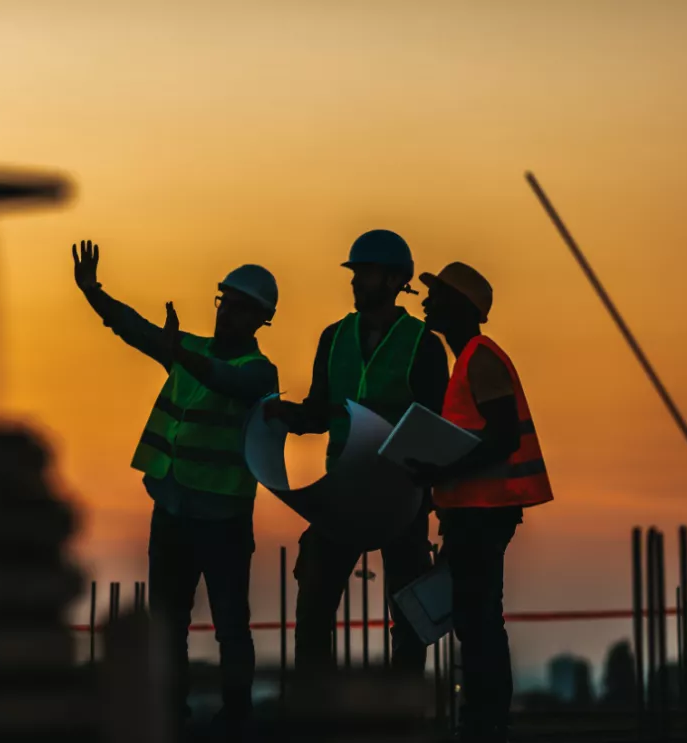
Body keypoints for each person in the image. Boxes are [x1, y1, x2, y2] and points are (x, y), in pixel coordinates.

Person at [72, 239, 279, 735]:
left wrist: (179, 354)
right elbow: (134, 329)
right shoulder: (190, 350)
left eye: (238, 308)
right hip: (173, 510)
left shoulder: (259, 371)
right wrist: (93, 293)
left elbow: (230, 382)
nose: (226, 313)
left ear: (258, 319)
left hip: (223, 521)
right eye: (224, 302)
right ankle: (171, 713)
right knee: (168, 626)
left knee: (231, 626)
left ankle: (236, 718)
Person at [265, 229, 449, 675]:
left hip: (400, 497)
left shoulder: (421, 344)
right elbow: (322, 410)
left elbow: (436, 429)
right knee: (313, 606)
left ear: (392, 281)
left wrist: (430, 498)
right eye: (355, 274)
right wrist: (287, 416)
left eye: (364, 274)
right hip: (343, 493)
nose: (355, 282)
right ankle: (319, 711)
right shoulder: (334, 338)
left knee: (408, 614)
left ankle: (401, 711)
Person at [410, 262, 554, 743]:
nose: (427, 302)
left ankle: (486, 719)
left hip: (486, 512)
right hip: (472, 511)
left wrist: (440, 470)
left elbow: (501, 438)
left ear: (460, 307)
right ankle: (485, 716)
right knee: (474, 618)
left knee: (479, 618)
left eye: (437, 295)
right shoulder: (468, 359)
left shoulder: (480, 358)